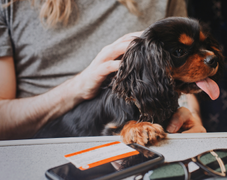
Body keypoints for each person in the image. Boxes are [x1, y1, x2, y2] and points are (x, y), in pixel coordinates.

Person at [0, 0, 213, 140]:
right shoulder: (8, 5)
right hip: (45, 148)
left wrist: (187, 121)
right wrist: (78, 86)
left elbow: (183, 68)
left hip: (155, 135)